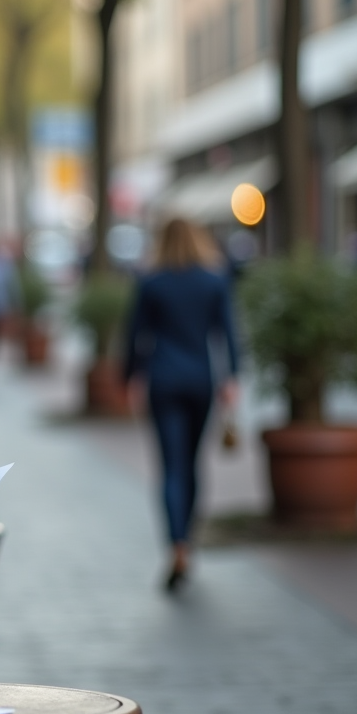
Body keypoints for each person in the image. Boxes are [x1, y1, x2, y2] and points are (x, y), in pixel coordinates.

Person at [123, 218, 238, 593]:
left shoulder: (152, 281)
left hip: (163, 379)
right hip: (201, 380)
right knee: (192, 464)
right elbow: (228, 332)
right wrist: (232, 377)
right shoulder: (214, 279)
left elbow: (135, 334)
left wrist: (130, 376)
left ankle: (176, 545)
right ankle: (188, 538)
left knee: (171, 467)